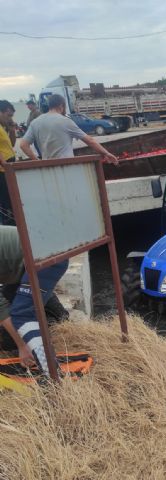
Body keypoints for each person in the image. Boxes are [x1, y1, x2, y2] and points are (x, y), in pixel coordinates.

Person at [0, 225, 68, 374]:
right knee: (11, 294)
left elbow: (2, 310)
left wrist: (23, 346)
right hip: (36, 257)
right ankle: (56, 318)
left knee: (22, 313)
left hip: (46, 256)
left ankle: (51, 373)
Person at [19, 94, 119, 164]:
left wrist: (37, 161)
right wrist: (106, 153)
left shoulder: (35, 122)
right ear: (61, 106)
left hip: (47, 166)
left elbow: (23, 145)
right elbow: (90, 140)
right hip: (66, 165)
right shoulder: (65, 121)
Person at [0, 100, 16, 225]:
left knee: (12, 200)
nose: (10, 119)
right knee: (6, 202)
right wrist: (4, 164)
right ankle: (10, 225)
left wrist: (12, 130)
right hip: (2, 170)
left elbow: (12, 144)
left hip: (8, 167)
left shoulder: (2, 128)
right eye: (8, 115)